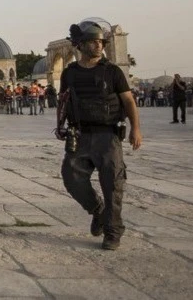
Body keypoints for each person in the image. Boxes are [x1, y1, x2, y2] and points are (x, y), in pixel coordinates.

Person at [59, 20, 142, 250]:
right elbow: (64, 101)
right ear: (81, 45)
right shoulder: (70, 73)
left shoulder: (112, 71)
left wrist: (136, 129)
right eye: (93, 42)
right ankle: (98, 210)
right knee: (71, 177)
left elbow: (128, 100)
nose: (98, 46)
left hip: (107, 136)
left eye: (101, 42)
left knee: (113, 185)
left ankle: (113, 231)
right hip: (81, 134)